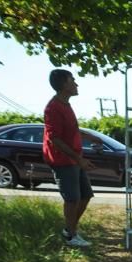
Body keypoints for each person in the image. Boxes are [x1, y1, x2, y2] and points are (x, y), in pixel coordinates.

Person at [43, 69, 93, 248]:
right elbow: (54, 140)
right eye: (73, 80)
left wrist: (93, 138)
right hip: (63, 160)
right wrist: (78, 159)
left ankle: (69, 229)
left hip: (74, 159)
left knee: (86, 195)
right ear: (64, 84)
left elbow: (72, 131)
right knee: (72, 199)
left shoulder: (66, 104)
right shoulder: (53, 108)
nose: (76, 84)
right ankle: (72, 237)